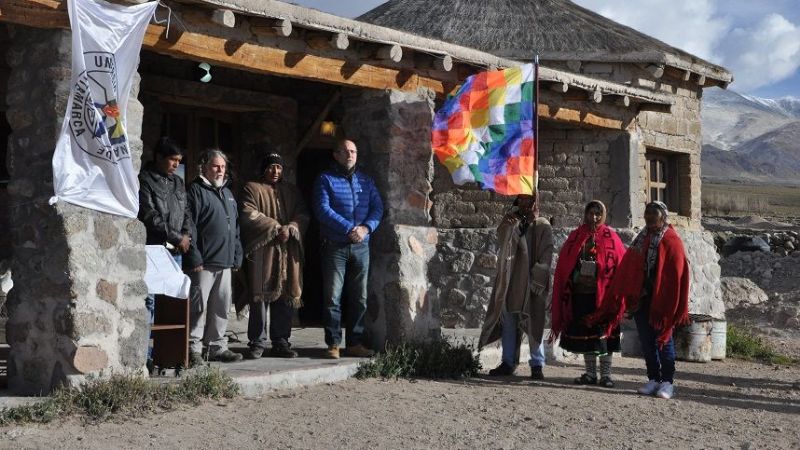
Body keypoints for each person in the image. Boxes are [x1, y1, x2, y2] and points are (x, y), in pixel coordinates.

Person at [588, 201, 689, 399]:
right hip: (641, 300)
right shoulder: (641, 238)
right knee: (647, 341)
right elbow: (629, 265)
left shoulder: (671, 240)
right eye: (647, 212)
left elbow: (676, 273)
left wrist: (667, 298)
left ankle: (667, 382)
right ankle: (653, 378)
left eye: (654, 213)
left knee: (663, 340)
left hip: (662, 301)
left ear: (663, 216)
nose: (650, 216)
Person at [312, 139, 383, 359]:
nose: (351, 155)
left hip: (361, 245)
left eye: (353, 151)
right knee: (333, 296)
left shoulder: (366, 181)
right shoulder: (325, 179)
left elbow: (377, 208)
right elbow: (322, 209)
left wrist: (365, 228)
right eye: (346, 151)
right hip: (335, 245)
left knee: (359, 297)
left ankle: (354, 343)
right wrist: (348, 228)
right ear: (336, 155)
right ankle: (333, 343)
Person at [239, 152, 309, 359]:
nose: (275, 171)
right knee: (260, 296)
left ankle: (281, 341)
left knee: (286, 296)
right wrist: (276, 227)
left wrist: (292, 226)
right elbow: (248, 212)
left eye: (278, 167)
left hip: (288, 251)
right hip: (264, 251)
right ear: (264, 169)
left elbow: (303, 213)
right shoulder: (252, 188)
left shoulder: (291, 191)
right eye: (271, 167)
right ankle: (257, 342)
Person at [550, 200, 626, 387]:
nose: (594, 217)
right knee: (587, 338)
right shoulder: (577, 236)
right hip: (581, 294)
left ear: (603, 215)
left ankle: (606, 375)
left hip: (604, 297)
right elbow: (565, 264)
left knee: (604, 337)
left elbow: (620, 264)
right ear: (585, 214)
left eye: (598, 214)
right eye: (591, 213)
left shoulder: (611, 237)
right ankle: (590, 374)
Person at [480, 194, 553, 380]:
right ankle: (508, 361)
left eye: (529, 200)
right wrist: (509, 226)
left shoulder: (543, 225)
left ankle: (537, 364)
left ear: (535, 202)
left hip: (532, 281)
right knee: (509, 322)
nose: (525, 203)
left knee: (534, 322)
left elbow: (546, 254)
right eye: (521, 200)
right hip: (511, 281)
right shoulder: (510, 221)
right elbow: (502, 244)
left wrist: (538, 277)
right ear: (517, 202)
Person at [138, 137, 192, 370]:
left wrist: (186, 235)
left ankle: (169, 355)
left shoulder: (179, 183)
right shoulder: (145, 180)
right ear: (159, 157)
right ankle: (146, 355)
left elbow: (187, 212)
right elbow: (148, 214)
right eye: (172, 159)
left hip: (175, 251)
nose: (175, 165)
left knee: (172, 300)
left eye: (179, 161)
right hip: (153, 248)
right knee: (149, 300)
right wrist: (175, 235)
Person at [185, 149, 244, 364]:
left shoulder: (228, 193)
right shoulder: (195, 191)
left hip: (225, 261)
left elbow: (235, 228)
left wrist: (237, 254)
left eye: (223, 167)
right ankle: (193, 349)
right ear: (205, 167)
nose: (220, 171)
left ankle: (216, 346)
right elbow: (190, 227)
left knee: (221, 307)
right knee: (198, 308)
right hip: (203, 263)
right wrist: (194, 257)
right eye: (215, 166)